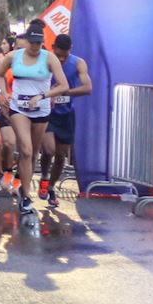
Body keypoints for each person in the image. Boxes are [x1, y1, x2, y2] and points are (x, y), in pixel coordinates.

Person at [0, 21, 69, 221]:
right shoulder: (13, 56)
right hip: (19, 109)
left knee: (33, 153)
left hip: (41, 111)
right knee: (25, 150)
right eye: (32, 42)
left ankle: (22, 184)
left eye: (39, 43)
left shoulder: (49, 58)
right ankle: (26, 197)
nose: (35, 46)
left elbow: (63, 85)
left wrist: (44, 95)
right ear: (26, 41)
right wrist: (2, 93)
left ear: (43, 42)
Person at [41, 33, 91, 208]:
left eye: (65, 55)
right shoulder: (45, 60)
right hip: (47, 112)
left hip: (66, 114)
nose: (61, 59)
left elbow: (87, 87)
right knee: (48, 150)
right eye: (58, 55)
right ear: (53, 47)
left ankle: (52, 187)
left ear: (71, 50)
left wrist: (64, 92)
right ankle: (44, 177)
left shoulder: (78, 63)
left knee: (61, 156)